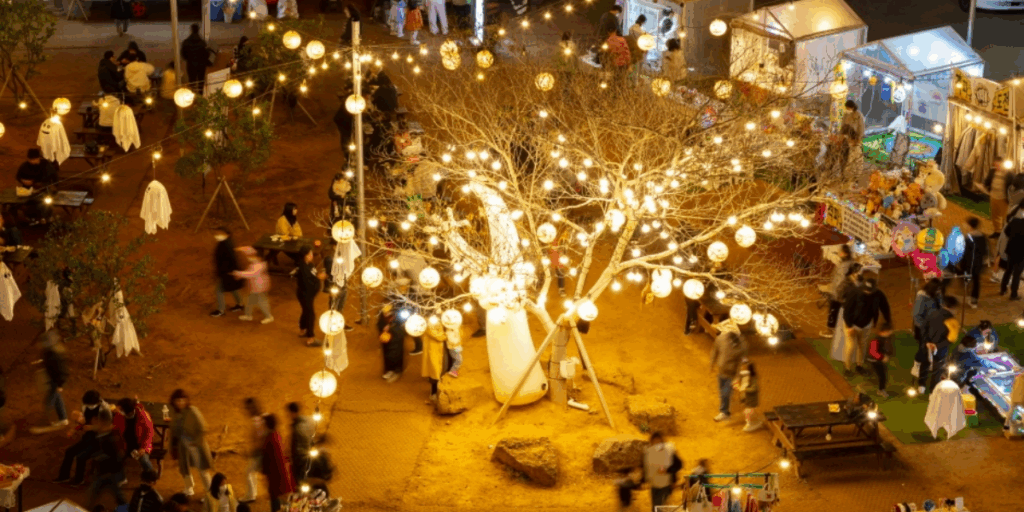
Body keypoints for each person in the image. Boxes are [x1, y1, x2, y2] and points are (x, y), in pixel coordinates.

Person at [55, 390, 111, 485]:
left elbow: (108, 427)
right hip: (89, 437)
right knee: (69, 452)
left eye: (90, 404)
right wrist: (74, 429)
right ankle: (64, 477)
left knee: (81, 457)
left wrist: (92, 427)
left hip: (100, 439)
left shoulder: (105, 409)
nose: (87, 406)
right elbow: (84, 420)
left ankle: (79, 480)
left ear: (96, 402)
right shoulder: (85, 404)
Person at [169, 389, 214, 496]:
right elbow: (173, 431)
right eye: (178, 400)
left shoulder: (193, 411)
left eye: (182, 400)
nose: (180, 403)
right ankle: (189, 488)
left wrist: (196, 443)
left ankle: (210, 493)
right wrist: (173, 446)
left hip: (196, 446)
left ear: (186, 400)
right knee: (184, 469)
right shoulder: (174, 412)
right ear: (174, 401)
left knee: (202, 470)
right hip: (182, 445)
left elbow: (203, 429)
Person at [842, 277, 891, 375]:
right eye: (866, 289)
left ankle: (859, 366)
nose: (867, 292)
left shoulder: (878, 294)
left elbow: (885, 307)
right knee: (851, 346)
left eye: (869, 290)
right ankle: (847, 368)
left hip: (867, 325)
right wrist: (849, 326)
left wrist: (887, 320)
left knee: (862, 346)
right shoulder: (854, 293)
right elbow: (847, 311)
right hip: (852, 325)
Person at [87, 409, 127, 508]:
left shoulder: (110, 439)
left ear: (101, 422)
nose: (93, 423)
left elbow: (117, 457)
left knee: (96, 493)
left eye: (96, 421)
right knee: (117, 494)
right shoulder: (105, 435)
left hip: (108, 473)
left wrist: (98, 457)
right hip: (107, 472)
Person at [921, 296, 960, 393]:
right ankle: (932, 392)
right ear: (954, 307)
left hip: (926, 345)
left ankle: (921, 386)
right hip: (940, 350)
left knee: (925, 364)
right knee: (937, 370)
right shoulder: (953, 321)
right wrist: (937, 346)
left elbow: (923, 328)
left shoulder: (931, 313)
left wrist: (927, 342)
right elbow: (951, 339)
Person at [32, 330, 69, 433]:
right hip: (53, 380)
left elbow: (62, 371)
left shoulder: (54, 355)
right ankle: (63, 419)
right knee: (57, 399)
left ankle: (47, 421)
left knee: (49, 402)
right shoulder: (48, 352)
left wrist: (60, 385)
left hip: (56, 381)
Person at [260, 414, 295, 512]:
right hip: (280, 475)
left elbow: (267, 460)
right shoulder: (277, 435)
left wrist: (264, 471)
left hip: (275, 477)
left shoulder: (269, 439)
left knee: (276, 500)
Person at [710, 330, 747, 422]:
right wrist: (712, 363)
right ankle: (725, 409)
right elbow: (715, 350)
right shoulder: (721, 339)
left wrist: (737, 377)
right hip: (721, 372)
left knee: (725, 393)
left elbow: (741, 363)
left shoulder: (742, 346)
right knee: (722, 391)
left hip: (731, 374)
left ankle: (724, 412)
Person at [113, 398, 156, 475]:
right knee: (115, 458)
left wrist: (144, 448)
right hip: (124, 445)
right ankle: (120, 477)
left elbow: (149, 433)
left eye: (120, 409)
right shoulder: (119, 415)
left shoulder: (143, 416)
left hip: (140, 445)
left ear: (127, 412)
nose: (118, 410)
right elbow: (116, 430)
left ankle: (151, 477)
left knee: (144, 461)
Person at [210, 227, 245, 317]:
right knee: (233, 288)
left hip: (226, 272)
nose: (217, 235)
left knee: (219, 290)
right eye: (217, 233)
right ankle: (240, 305)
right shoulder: (227, 242)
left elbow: (232, 259)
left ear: (227, 234)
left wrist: (231, 271)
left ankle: (221, 310)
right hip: (229, 271)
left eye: (220, 233)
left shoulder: (226, 244)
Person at [642, 432, 682, 511]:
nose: (657, 444)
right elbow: (645, 467)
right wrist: (643, 480)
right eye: (655, 442)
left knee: (658, 506)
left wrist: (667, 470)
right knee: (655, 506)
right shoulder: (648, 453)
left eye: (659, 442)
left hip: (666, 484)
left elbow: (679, 464)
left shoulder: (669, 451)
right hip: (654, 484)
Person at [233, 247, 273, 324]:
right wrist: (240, 249)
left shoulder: (259, 266)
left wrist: (238, 273)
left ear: (259, 257)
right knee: (250, 301)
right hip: (255, 287)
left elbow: (252, 274)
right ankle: (248, 316)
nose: (250, 258)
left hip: (260, 288)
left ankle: (269, 317)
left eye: (252, 257)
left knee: (262, 303)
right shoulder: (257, 262)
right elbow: (249, 250)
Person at [296, 246, 325, 346]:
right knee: (310, 315)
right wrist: (318, 279)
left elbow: (314, 275)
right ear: (304, 256)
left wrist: (318, 277)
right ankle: (310, 338)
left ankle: (302, 330)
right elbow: (306, 284)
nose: (311, 255)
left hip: (309, 295)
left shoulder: (309, 265)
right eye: (309, 254)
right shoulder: (302, 269)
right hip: (305, 295)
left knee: (305, 311)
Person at [241, 398, 268, 503]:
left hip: (259, 452)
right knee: (252, 473)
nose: (246, 410)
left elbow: (258, 439)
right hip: (264, 450)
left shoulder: (256, 420)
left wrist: (251, 452)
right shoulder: (264, 416)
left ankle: (251, 495)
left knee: (248, 472)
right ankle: (253, 493)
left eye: (248, 408)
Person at [826, 244, 855, 336]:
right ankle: (835, 328)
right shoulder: (845, 263)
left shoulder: (845, 265)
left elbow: (841, 280)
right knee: (836, 310)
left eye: (841, 251)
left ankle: (834, 329)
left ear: (845, 254)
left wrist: (836, 292)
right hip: (838, 292)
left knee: (835, 310)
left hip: (839, 293)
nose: (839, 253)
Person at [961, 216, 988, 308]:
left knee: (966, 280)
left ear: (970, 226)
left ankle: (967, 295)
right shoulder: (983, 237)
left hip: (968, 264)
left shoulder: (967, 237)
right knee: (976, 281)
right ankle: (974, 301)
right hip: (978, 263)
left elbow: (963, 252)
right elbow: (985, 251)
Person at [286, 402, 316, 485]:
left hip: (300, 459)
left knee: (299, 482)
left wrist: (291, 459)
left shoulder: (297, 428)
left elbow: (297, 447)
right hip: (310, 457)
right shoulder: (309, 421)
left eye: (288, 413)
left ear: (292, 413)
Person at [377, 303, 406, 383]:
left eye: (388, 313)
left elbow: (401, 330)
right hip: (386, 341)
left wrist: (391, 328)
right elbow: (379, 325)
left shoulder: (398, 317)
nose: (386, 314)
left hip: (396, 341)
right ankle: (389, 370)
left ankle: (397, 371)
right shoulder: (382, 317)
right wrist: (383, 329)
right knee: (387, 356)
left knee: (396, 355)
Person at [983, 157, 1012, 234]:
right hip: (993, 196)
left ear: (1002, 164)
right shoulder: (992, 171)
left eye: (998, 164)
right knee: (995, 215)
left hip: (1003, 198)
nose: (996, 166)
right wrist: (985, 185)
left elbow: (1012, 185)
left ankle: (1005, 233)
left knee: (1005, 217)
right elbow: (987, 181)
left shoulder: (1008, 173)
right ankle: (997, 231)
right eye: (995, 164)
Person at [1000, 208, 1024, 300]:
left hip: (1011, 250)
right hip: (1021, 254)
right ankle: (1013, 294)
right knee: (1017, 274)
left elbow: (1006, 232)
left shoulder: (1015, 221)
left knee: (1008, 270)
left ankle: (1003, 289)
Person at [866, 322, 895, 398]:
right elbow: (872, 352)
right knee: (882, 376)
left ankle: (881, 389)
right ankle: (881, 390)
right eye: (889, 331)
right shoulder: (876, 340)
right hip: (874, 361)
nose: (891, 332)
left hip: (878, 360)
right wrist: (882, 357)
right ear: (885, 331)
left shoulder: (885, 338)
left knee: (882, 375)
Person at [422, 321, 448, 400]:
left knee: (443, 369)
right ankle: (433, 393)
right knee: (435, 371)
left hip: (444, 348)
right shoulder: (429, 321)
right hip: (434, 350)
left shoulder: (443, 317)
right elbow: (436, 335)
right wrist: (447, 335)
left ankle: (441, 391)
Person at [181, 24, 211, 94]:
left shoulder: (186, 42)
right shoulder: (202, 42)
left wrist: (189, 58)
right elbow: (206, 54)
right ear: (198, 30)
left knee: (192, 81)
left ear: (191, 30)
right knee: (201, 80)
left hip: (191, 64)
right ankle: (201, 94)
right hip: (201, 65)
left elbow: (183, 54)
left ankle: (192, 94)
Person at [912, 278, 942, 344]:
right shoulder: (921, 298)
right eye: (938, 290)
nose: (939, 291)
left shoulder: (936, 295)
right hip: (923, 329)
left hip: (933, 326)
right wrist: (926, 329)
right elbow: (916, 316)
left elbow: (939, 306)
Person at [735, 360, 761, 432]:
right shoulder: (745, 376)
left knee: (748, 412)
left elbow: (754, 388)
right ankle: (752, 422)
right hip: (746, 398)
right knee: (747, 411)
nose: (743, 368)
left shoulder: (753, 379)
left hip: (751, 399)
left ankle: (751, 423)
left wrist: (744, 389)